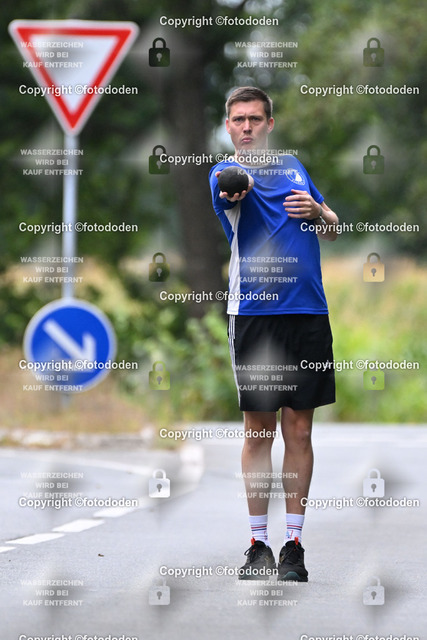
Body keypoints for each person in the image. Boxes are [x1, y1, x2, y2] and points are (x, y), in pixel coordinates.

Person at [209, 86, 339, 582]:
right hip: (255, 316)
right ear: (228, 126)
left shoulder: (295, 168)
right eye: (238, 119)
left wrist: (321, 213)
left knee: (299, 430)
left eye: (255, 119)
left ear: (269, 123)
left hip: (308, 312)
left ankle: (294, 546)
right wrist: (236, 185)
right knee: (259, 431)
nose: (247, 126)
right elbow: (231, 186)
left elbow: (332, 228)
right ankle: (258, 544)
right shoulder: (224, 174)